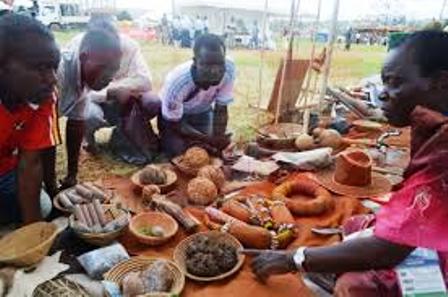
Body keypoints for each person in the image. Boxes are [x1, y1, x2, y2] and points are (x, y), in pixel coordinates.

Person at [244, 30, 448, 296]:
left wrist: (294, 259)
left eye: (395, 82)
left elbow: (390, 247)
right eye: (384, 83)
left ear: (442, 83)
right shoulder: (434, 125)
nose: (383, 94)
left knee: (353, 285)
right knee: (355, 225)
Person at [0, 14, 60, 224]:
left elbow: (30, 163)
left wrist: (32, 232)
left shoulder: (42, 96)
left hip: (5, 172)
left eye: (54, 67)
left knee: (41, 207)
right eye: (40, 67)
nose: (52, 78)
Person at [79, 16, 160, 165]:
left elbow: (145, 81)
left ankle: (122, 136)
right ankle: (89, 140)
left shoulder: (129, 46)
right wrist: (110, 92)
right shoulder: (79, 50)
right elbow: (82, 92)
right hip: (96, 103)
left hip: (124, 100)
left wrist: (120, 87)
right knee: (89, 115)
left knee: (152, 102)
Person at [54, 25, 122, 189]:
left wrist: (72, 176)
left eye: (114, 70)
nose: (109, 77)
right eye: (104, 67)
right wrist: (52, 187)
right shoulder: (58, 72)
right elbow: (45, 137)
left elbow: (76, 125)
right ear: (84, 57)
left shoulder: (86, 78)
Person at [158, 33, 235, 157]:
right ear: (195, 62)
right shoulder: (177, 83)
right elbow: (175, 124)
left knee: (210, 151)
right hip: (175, 119)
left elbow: (221, 108)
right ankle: (164, 139)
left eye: (220, 64)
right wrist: (207, 139)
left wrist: (218, 138)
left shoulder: (229, 69)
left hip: (202, 112)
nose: (215, 71)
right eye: (208, 65)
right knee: (180, 153)